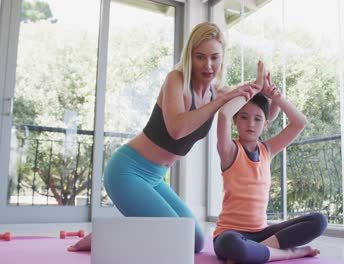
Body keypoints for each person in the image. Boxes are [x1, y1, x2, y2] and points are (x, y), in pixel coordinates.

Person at [67, 22, 263, 252]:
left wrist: (260, 87)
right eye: (200, 57)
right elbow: (176, 129)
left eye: (214, 57)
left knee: (196, 241)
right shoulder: (176, 80)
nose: (208, 65)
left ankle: (119, 231)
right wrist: (219, 101)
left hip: (156, 178)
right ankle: (107, 235)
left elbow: (248, 102)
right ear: (190, 56)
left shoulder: (216, 92)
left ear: (222, 58)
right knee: (175, 237)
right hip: (127, 172)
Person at [213, 72, 328, 263]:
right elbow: (224, 114)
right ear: (236, 120)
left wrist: (277, 98)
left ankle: (256, 251)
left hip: (262, 233)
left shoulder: (267, 150)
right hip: (230, 234)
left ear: (265, 124)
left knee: (319, 221)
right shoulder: (229, 150)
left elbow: (300, 122)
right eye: (243, 117)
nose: (250, 123)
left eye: (257, 119)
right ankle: (289, 253)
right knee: (233, 244)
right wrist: (254, 89)